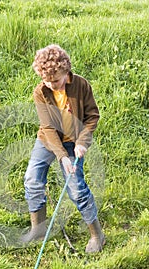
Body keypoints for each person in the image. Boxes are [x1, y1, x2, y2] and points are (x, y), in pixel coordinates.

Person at [21, 44, 105, 253]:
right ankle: (38, 229)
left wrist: (82, 142)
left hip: (73, 142)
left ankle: (97, 235)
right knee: (32, 180)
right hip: (48, 141)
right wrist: (61, 157)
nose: (51, 86)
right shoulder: (41, 92)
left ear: (66, 71)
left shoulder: (82, 86)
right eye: (46, 81)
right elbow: (47, 127)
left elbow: (92, 116)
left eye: (56, 81)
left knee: (77, 190)